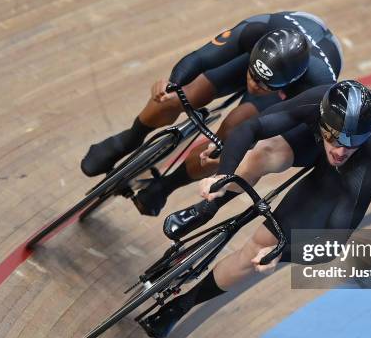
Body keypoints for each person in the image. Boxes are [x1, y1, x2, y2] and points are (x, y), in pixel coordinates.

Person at [139, 80, 371, 338]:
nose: (341, 150)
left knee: (260, 249)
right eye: (335, 139)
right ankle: (206, 208)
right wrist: (223, 175)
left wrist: (281, 253)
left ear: (366, 136)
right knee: (262, 152)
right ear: (323, 120)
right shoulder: (317, 102)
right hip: (312, 139)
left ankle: (181, 305)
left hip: (340, 179)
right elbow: (251, 129)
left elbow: (333, 241)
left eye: (352, 142)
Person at [80, 11, 343, 216]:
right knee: (182, 95)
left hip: (287, 90)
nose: (253, 84)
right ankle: (129, 138)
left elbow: (274, 128)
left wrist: (226, 154)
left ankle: (167, 185)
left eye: (263, 84)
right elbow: (201, 58)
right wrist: (173, 83)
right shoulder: (256, 29)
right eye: (252, 76)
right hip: (259, 55)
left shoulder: (315, 87)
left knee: (233, 131)